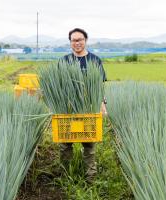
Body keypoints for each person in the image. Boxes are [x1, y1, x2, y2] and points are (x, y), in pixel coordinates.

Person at [58, 28, 107, 183]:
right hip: (68, 108)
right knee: (66, 143)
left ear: (85, 40)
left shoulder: (94, 60)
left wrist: (102, 104)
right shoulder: (64, 61)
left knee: (89, 144)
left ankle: (90, 178)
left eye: (80, 39)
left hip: (88, 107)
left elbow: (99, 85)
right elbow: (58, 86)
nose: (77, 43)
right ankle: (66, 175)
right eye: (73, 40)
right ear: (70, 42)